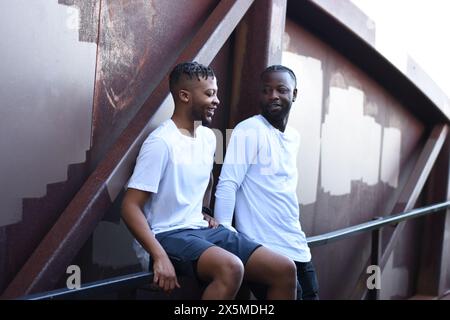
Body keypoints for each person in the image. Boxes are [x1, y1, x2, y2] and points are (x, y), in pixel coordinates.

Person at [121, 61, 297, 299]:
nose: (217, 101)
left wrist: (204, 210)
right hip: (166, 235)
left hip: (201, 229)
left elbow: (208, 180)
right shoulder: (161, 142)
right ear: (184, 96)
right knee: (231, 268)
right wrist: (160, 256)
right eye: (209, 94)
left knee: (285, 269)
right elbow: (130, 206)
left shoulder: (208, 137)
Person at [214, 65, 319, 300]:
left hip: (296, 244)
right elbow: (228, 183)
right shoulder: (249, 130)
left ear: (294, 94)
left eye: (281, 90)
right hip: (264, 248)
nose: (273, 96)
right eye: (266, 90)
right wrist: (225, 233)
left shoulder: (293, 136)